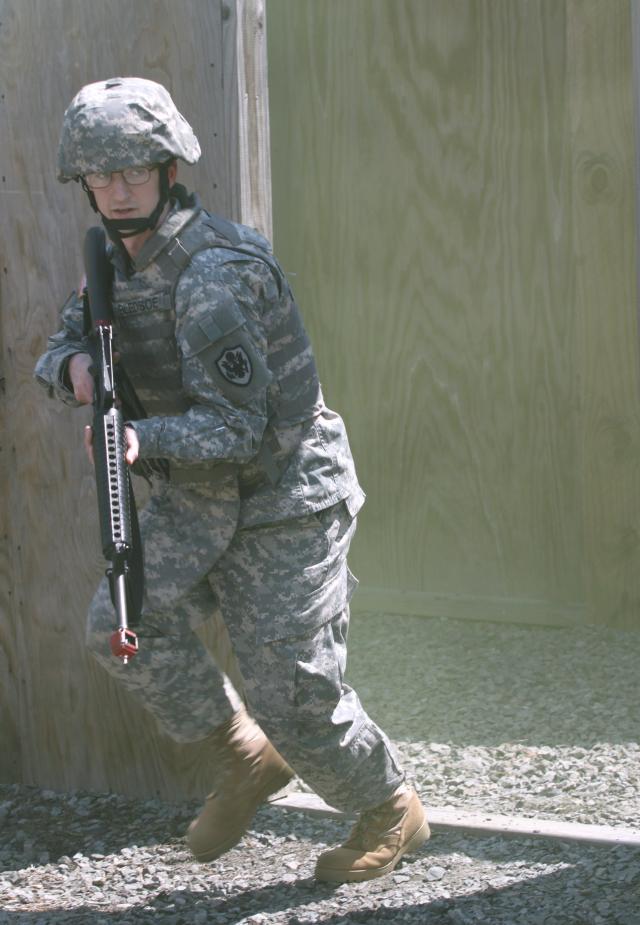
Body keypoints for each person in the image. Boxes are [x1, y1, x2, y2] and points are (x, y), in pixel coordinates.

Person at [35, 76, 429, 882]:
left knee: (294, 691)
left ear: (169, 170)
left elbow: (241, 427)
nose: (116, 191)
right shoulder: (113, 261)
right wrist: (75, 367)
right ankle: (244, 755)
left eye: (133, 173)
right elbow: (61, 344)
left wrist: (137, 435)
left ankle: (391, 807)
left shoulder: (214, 277)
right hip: (199, 492)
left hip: (286, 497)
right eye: (101, 177)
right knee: (122, 623)